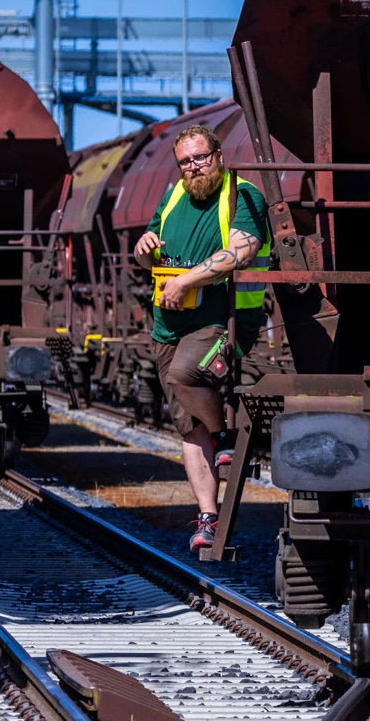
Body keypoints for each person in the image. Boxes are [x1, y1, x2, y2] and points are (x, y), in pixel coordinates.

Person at [132, 123, 271, 551]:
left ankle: (225, 431)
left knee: (183, 376)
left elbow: (244, 249)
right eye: (186, 161)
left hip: (222, 319)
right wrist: (144, 245)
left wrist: (187, 281)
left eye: (201, 158)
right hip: (166, 323)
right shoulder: (174, 193)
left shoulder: (242, 195)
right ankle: (207, 518)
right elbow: (150, 247)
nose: (194, 167)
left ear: (219, 157)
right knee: (188, 428)